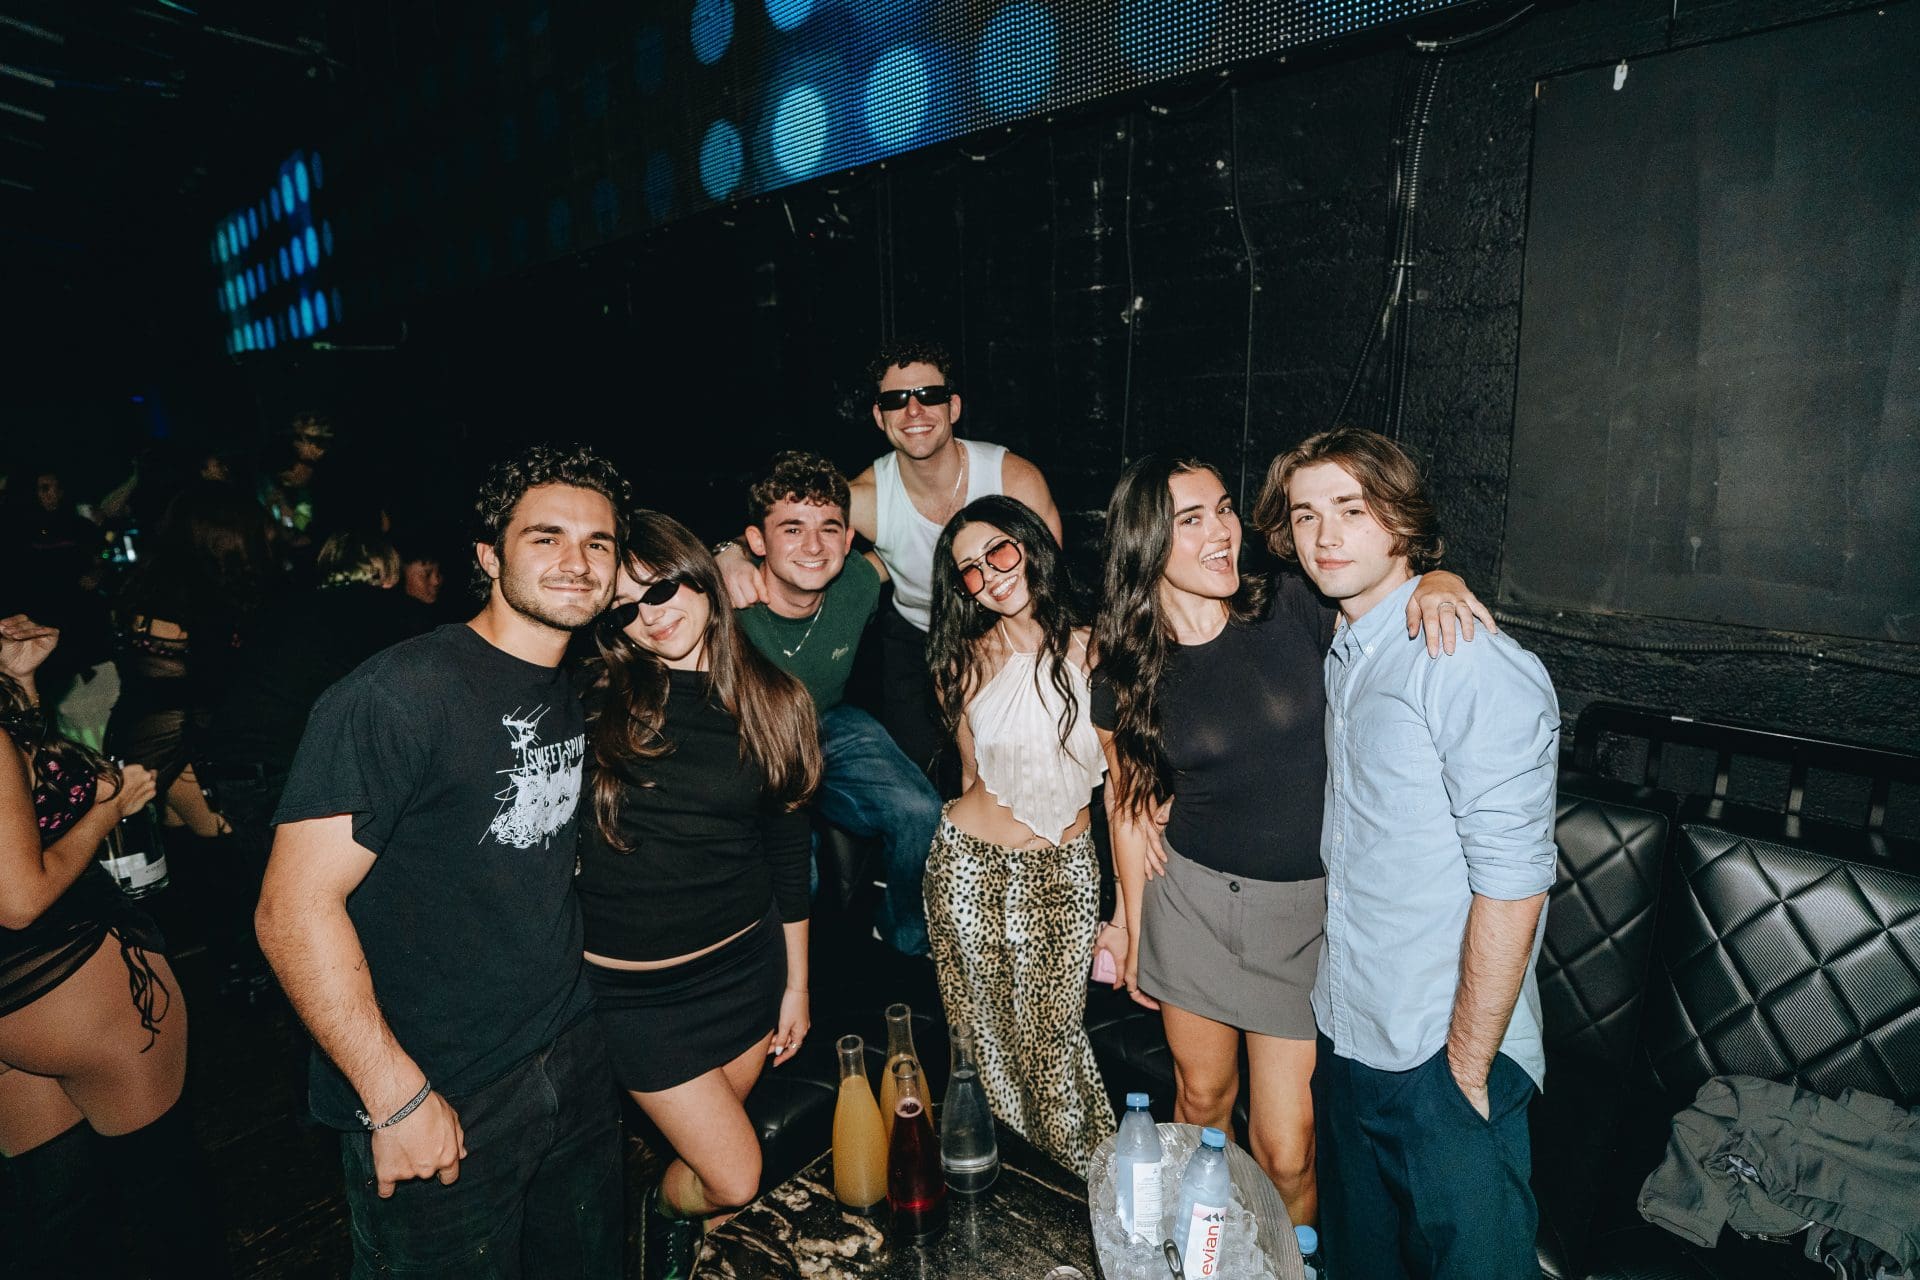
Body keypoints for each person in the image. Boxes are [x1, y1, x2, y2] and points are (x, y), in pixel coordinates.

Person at [255, 443, 629, 1279]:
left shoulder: (571, 684)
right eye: (546, 537)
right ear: (489, 557)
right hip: (440, 1085)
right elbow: (291, 911)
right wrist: (395, 1097)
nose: (577, 561)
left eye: (598, 543)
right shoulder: (397, 695)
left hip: (571, 1054)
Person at [1090, 455, 1490, 1228]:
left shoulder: (1293, 605)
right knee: (1201, 1102)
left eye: (1223, 508)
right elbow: (1130, 802)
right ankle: (1203, 1259)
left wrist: (1439, 581)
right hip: (1192, 903)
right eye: (1192, 519)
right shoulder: (1127, 664)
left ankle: (1289, 1267)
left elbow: (1391, 595)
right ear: (1146, 542)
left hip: (1305, 918)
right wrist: (1131, 921)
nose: (1222, 531)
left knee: (1287, 1149)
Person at [1262, 427, 1558, 1280]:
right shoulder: (1349, 650)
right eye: (1306, 514)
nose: (1325, 536)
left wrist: (1464, 1066)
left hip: (1442, 1051)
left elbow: (1515, 885)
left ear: (1401, 519)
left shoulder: (1465, 661)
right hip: (1349, 1030)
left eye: (1352, 510)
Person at [576, 511, 819, 1280]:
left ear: (702, 578)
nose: (651, 616)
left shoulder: (777, 701)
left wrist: (796, 984)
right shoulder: (594, 701)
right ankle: (662, 1208)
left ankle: (690, 1246)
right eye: (626, 608)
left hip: (746, 977)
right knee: (733, 1176)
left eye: (663, 589)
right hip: (637, 1002)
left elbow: (788, 854)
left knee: (718, 1175)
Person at [1, 613, 227, 1278]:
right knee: (169, 1204)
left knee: (61, 1216)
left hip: (12, 1015)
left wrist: (21, 682)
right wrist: (111, 810)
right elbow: (21, 897)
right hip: (69, 983)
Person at [718, 339, 1061, 775]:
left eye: (929, 395)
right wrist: (728, 554)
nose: (914, 411)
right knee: (919, 776)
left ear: (954, 407)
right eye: (896, 400)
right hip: (917, 640)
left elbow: (1050, 579)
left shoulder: (1013, 479)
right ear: (880, 417)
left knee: (1026, 762)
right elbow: (790, 526)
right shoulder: (866, 496)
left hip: (1009, 628)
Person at [923, 495, 1113, 1176]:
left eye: (999, 551)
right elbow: (971, 774)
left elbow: (1126, 788)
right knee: (982, 1055)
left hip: (1064, 874)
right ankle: (1008, 1208)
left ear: (1029, 545)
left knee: (1054, 1052)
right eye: (971, 570)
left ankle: (1086, 1198)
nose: (991, 575)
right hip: (967, 870)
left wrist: (1124, 916)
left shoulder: (1099, 648)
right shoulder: (963, 661)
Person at [196, 531, 427, 1001]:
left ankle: (268, 987)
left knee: (277, 894)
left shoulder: (290, 608)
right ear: (386, 573)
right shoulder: (381, 610)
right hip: (280, 769)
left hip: (228, 766)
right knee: (323, 905)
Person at [733, 450, 940, 956]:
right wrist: (724, 554)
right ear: (757, 541)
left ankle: (905, 937)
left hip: (830, 723)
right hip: (749, 738)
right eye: (792, 528)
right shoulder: (726, 598)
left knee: (922, 812)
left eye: (829, 529)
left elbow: (932, 549)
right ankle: (776, 974)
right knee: (795, 876)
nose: (813, 546)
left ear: (848, 540)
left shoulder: (859, 583)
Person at [106, 478, 277, 844]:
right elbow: (180, 693)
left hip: (161, 739)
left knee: (190, 849)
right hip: (172, 741)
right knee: (225, 839)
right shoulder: (174, 604)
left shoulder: (169, 588)